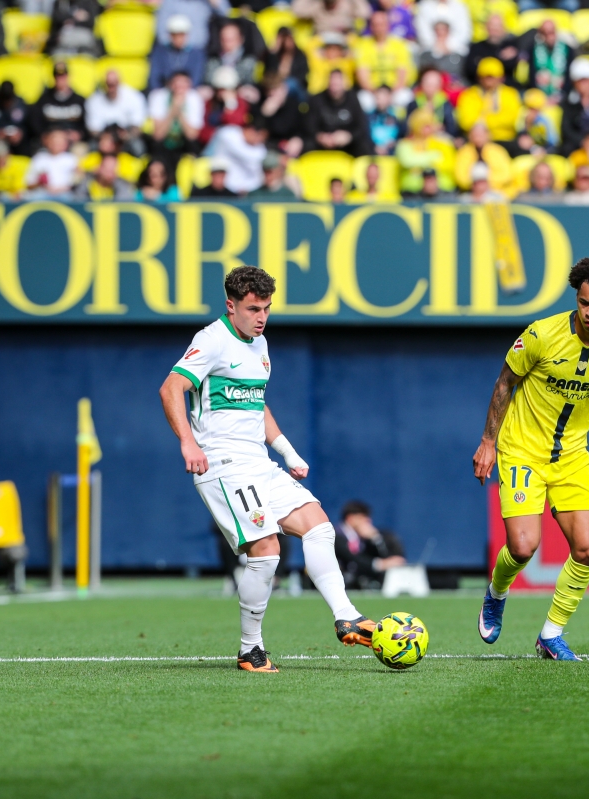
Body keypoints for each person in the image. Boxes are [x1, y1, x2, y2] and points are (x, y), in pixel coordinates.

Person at [159, 266, 378, 672]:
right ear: (231, 306)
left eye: (267, 308)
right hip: (223, 464)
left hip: (258, 462)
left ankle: (345, 615)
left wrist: (287, 452)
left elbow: (255, 403)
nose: (261, 317)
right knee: (266, 552)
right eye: (253, 308)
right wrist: (188, 442)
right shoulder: (211, 341)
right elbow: (171, 387)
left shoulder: (259, 343)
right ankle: (250, 649)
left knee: (318, 525)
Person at [474, 257, 589, 661]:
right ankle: (497, 592)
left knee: (587, 550)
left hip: (573, 458)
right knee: (524, 547)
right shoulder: (541, 334)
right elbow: (504, 383)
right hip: (523, 451)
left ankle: (551, 634)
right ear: (577, 298)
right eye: (584, 303)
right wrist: (488, 442)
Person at [334, 500, 406, 589]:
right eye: (362, 518)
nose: (367, 521)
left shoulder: (363, 537)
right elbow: (352, 556)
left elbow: (382, 555)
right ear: (351, 518)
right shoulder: (336, 535)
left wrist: (375, 538)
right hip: (341, 581)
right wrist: (379, 564)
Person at [354, 10, 416, 110]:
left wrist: (389, 95)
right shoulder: (363, 45)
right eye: (375, 25)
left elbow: (402, 75)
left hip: (394, 90)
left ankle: (400, 124)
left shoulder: (399, 45)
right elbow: (362, 76)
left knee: (405, 97)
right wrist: (376, 94)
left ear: (388, 25)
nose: (378, 28)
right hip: (372, 91)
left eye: (381, 24)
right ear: (371, 27)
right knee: (363, 99)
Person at [305, 69, 373, 156]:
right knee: (306, 144)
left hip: (346, 143)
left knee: (364, 146)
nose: (335, 87)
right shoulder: (317, 99)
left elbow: (362, 126)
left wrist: (349, 136)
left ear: (344, 84)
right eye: (332, 83)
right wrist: (320, 136)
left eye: (337, 83)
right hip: (322, 141)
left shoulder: (353, 98)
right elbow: (308, 125)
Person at [148, 71, 205, 171]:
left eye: (183, 84)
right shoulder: (158, 96)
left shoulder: (195, 98)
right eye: (176, 83)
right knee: (156, 147)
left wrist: (180, 113)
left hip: (184, 144)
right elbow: (157, 135)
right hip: (164, 143)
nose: (179, 88)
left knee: (194, 148)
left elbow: (192, 135)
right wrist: (172, 111)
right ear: (170, 84)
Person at [457, 57, 522, 144]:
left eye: (492, 77)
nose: (489, 81)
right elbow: (465, 121)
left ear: (501, 77)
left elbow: (511, 119)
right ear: (479, 77)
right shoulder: (469, 95)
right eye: (486, 77)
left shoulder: (510, 94)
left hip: (504, 140)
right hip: (476, 141)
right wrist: (494, 122)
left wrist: (483, 123)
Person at [85, 69, 147, 152]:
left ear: (119, 82)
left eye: (113, 84)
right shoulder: (94, 101)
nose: (111, 87)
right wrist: (106, 137)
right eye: (108, 84)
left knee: (138, 148)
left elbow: (137, 127)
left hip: (127, 136)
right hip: (103, 136)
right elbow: (94, 130)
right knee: (90, 147)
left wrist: (126, 136)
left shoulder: (134, 97)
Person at [29, 62, 86, 150]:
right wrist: (44, 135)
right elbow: (35, 121)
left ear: (68, 76)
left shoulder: (79, 100)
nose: (60, 79)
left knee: (80, 150)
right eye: (57, 76)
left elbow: (87, 123)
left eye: (63, 76)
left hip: (72, 142)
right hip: (50, 142)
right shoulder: (44, 99)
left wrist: (79, 134)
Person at [210, 118, 268, 195]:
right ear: (251, 130)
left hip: (248, 191)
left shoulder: (260, 148)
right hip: (223, 189)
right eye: (260, 136)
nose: (260, 140)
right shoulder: (228, 134)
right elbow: (244, 153)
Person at [522, 19, 574, 102]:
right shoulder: (533, 48)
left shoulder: (568, 49)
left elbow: (569, 75)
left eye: (551, 32)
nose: (549, 37)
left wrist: (561, 95)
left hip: (562, 95)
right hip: (539, 96)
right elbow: (531, 74)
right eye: (545, 33)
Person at [149, 14, 206, 91]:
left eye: (181, 35)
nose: (178, 39)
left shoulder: (196, 54)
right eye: (175, 35)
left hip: (188, 92)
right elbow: (155, 77)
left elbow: (197, 78)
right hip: (164, 91)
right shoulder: (160, 51)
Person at [454, 122, 512, 194]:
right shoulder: (464, 152)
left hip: (496, 192)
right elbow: (460, 176)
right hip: (470, 193)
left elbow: (506, 174)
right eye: (475, 134)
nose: (478, 137)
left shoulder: (498, 151)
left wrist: (486, 184)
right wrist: (475, 185)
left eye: (480, 134)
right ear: (470, 136)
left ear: (488, 135)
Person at [464, 14, 519, 88]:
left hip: (506, 89)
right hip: (480, 89)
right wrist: (499, 59)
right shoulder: (476, 47)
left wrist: (482, 62)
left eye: (497, 26)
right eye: (491, 25)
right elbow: (470, 69)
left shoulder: (512, 46)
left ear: (504, 28)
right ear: (486, 27)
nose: (494, 29)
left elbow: (511, 66)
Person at [25, 126, 79, 198]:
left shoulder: (71, 159)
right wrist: (40, 183)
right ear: (46, 140)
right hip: (42, 193)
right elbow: (29, 184)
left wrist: (65, 188)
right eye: (53, 139)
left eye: (60, 140)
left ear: (66, 143)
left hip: (65, 193)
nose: (56, 142)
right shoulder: (39, 158)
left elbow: (78, 179)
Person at [0, 81, 29, 154]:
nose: (7, 103)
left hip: (18, 141)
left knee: (27, 148)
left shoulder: (21, 105)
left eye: (9, 100)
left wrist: (21, 133)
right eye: (4, 100)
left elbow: (28, 126)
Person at [291, 0, 370, 37]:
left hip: (344, 44)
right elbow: (297, 11)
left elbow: (365, 13)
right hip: (321, 44)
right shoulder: (317, 6)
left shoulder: (347, 5)